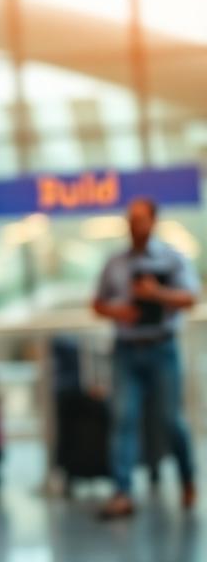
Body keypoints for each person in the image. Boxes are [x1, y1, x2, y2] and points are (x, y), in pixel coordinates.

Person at [92, 197, 198, 519]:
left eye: (141, 220)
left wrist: (157, 294)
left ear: (153, 221)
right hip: (127, 351)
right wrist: (118, 311)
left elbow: (190, 297)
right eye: (130, 220)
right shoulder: (115, 263)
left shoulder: (172, 258)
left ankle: (187, 477)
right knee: (124, 418)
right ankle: (122, 491)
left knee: (171, 420)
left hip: (162, 348)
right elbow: (97, 303)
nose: (135, 226)